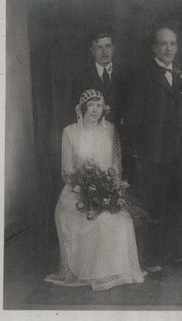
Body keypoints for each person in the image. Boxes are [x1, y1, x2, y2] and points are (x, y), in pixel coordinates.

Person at [45, 89, 145, 291]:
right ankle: (90, 273)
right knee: (95, 219)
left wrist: (111, 187)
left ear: (104, 109)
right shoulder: (70, 131)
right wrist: (86, 188)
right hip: (77, 191)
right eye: (91, 105)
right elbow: (67, 170)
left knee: (118, 218)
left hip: (107, 190)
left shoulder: (110, 129)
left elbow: (116, 165)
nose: (95, 110)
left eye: (99, 105)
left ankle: (115, 271)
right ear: (82, 108)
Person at [122, 27, 182, 280]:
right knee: (153, 206)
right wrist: (137, 153)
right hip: (152, 154)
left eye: (172, 44)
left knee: (174, 204)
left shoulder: (181, 75)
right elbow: (133, 119)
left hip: (177, 154)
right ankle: (151, 259)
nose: (168, 48)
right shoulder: (143, 76)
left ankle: (173, 254)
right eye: (163, 44)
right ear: (154, 48)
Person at [70, 32, 133, 130]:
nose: (105, 52)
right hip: (94, 135)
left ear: (113, 49)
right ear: (92, 51)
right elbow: (75, 111)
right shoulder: (81, 78)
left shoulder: (127, 74)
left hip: (122, 134)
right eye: (99, 47)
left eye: (108, 46)